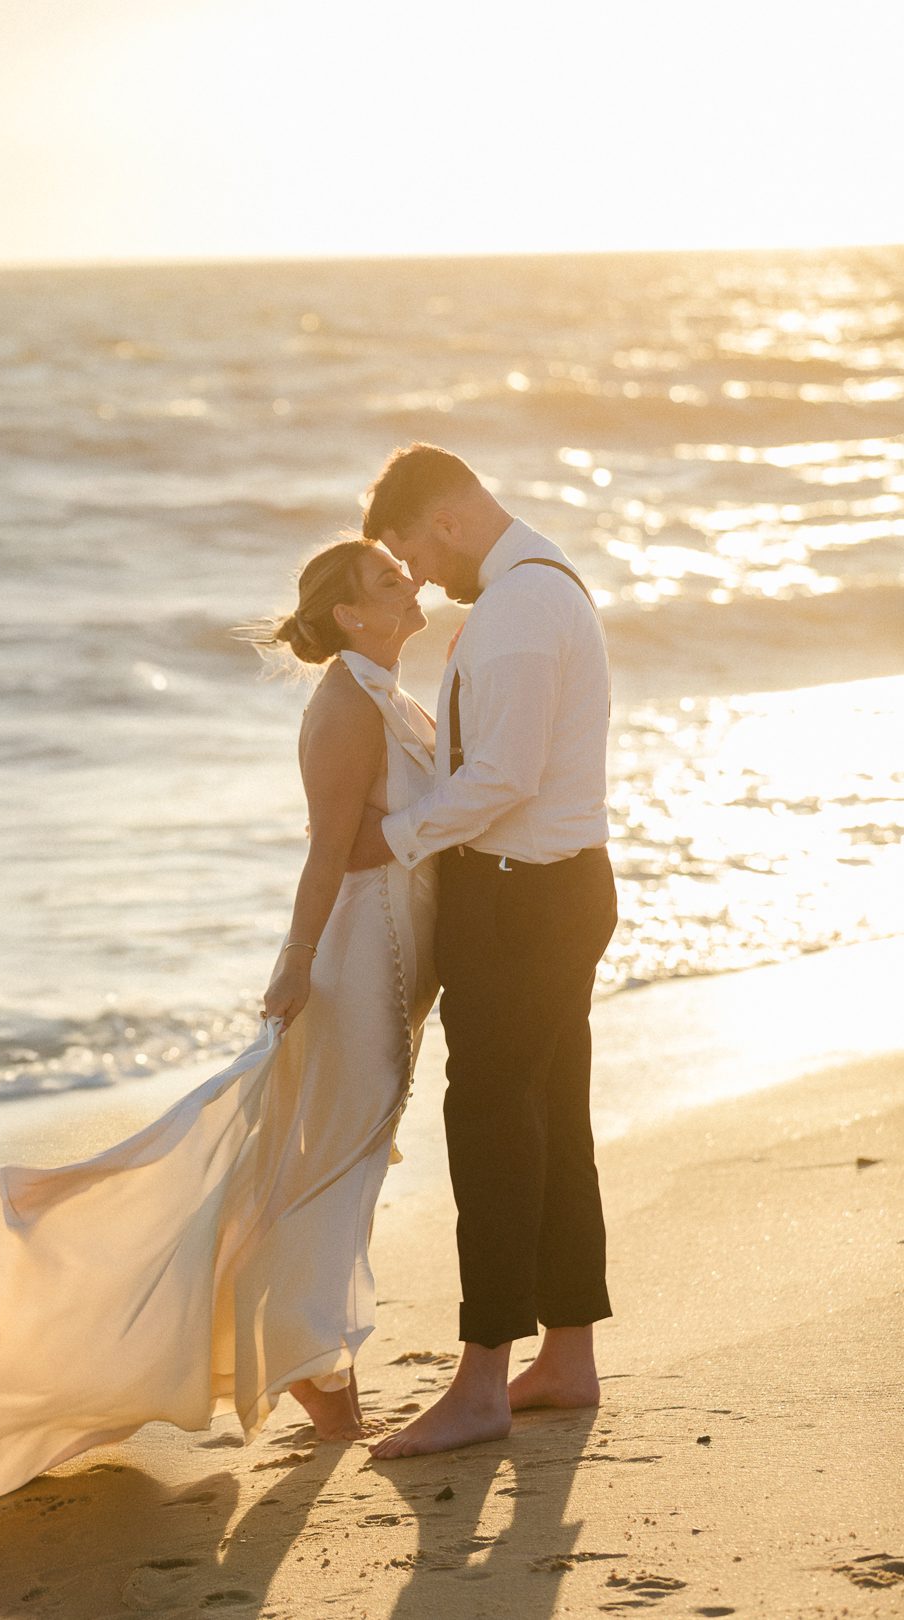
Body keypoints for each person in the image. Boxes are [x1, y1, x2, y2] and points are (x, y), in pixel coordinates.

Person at [0, 539, 440, 1552]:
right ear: (352, 617)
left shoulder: (388, 693)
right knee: (336, 1166)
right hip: (357, 960)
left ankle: (319, 1367)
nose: (409, 583)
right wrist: (294, 958)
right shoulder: (345, 709)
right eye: (385, 581)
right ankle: (326, 1385)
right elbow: (331, 853)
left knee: (340, 1163)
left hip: (396, 965)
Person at [348, 443, 617, 1461]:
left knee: (493, 1126)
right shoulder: (539, 582)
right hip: (556, 890)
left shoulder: (513, 614)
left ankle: (479, 1385)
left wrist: (391, 838)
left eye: (412, 548)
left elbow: (500, 776)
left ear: (447, 522)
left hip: (520, 901)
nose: (415, 572)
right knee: (551, 1115)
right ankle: (568, 1355)